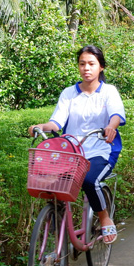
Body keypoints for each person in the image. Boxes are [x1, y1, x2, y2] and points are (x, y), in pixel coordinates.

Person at [28, 45, 125, 244]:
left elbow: (116, 114)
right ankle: (57, 228)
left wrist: (110, 126)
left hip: (101, 149)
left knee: (90, 181)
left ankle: (105, 218)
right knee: (49, 183)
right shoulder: (68, 93)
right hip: (71, 152)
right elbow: (57, 122)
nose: (86, 68)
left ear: (101, 67)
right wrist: (42, 126)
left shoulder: (108, 91)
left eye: (91, 64)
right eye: (82, 64)